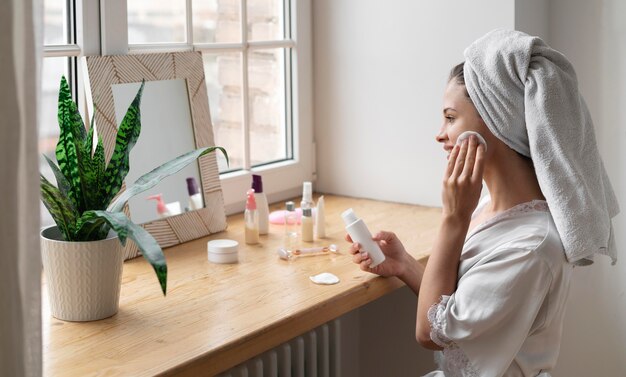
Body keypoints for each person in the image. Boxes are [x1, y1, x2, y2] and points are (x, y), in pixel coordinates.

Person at [347, 29, 619, 377]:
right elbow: (457, 311)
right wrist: (404, 265)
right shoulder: (494, 208)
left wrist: (453, 219)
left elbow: (430, 334)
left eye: (450, 117)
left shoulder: (531, 246)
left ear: (495, 121)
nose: (439, 133)